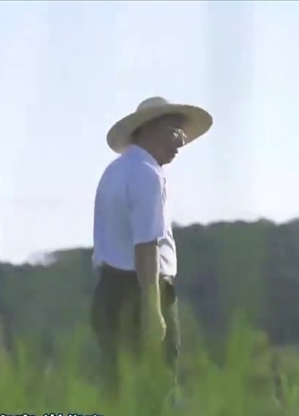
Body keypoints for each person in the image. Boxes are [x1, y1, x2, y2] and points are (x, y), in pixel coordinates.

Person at [91, 96, 214, 400]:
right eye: (175, 133)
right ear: (149, 129)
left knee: (115, 390)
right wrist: (152, 308)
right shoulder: (148, 174)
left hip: (108, 291)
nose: (181, 143)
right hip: (141, 290)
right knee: (157, 391)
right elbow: (146, 247)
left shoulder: (114, 170)